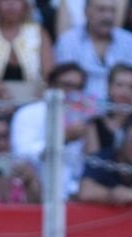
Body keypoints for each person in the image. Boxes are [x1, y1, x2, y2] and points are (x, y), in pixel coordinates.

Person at [11, 61, 90, 195]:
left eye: (79, 87)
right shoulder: (28, 113)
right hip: (35, 191)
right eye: (67, 85)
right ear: (51, 85)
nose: (72, 92)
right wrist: (63, 139)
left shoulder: (85, 117)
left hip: (74, 193)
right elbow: (23, 155)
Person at [54, 0, 132, 102]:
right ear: (86, 12)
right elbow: (63, 84)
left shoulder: (131, 43)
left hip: (120, 113)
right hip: (77, 111)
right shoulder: (68, 41)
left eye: (112, 11)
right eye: (101, 10)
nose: (108, 16)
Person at [0, 0, 50, 103]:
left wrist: (37, 98)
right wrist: (4, 95)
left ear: (25, 5)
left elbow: (48, 72)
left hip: (35, 97)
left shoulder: (39, 32)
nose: (11, 4)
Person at [84, 61, 132, 155]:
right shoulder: (95, 124)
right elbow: (93, 163)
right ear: (109, 88)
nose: (125, 91)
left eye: (131, 87)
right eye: (120, 85)